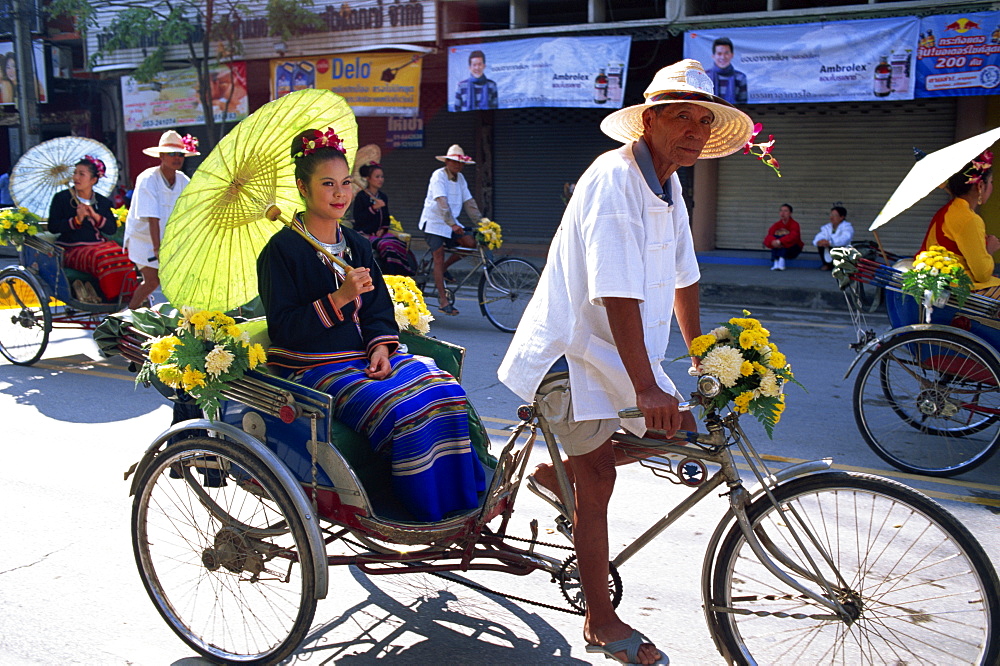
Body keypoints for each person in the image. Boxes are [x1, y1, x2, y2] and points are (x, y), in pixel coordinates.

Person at [498, 58, 753, 665]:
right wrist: (646, 386)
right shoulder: (615, 180)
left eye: (702, 121)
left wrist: (701, 361)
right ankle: (599, 618)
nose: (693, 131)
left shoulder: (669, 185)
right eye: (681, 118)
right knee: (599, 477)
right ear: (651, 120)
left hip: (616, 351)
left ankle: (547, 477)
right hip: (568, 352)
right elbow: (617, 292)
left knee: (684, 431)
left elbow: (684, 281)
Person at [256, 127, 486, 522]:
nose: (340, 193)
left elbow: (378, 307)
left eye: (345, 183)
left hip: (365, 357)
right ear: (302, 187)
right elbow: (285, 328)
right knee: (403, 410)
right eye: (327, 184)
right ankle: (419, 508)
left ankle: (458, 500)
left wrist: (381, 347)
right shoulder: (281, 252)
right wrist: (339, 298)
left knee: (445, 389)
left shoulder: (357, 245)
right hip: (316, 366)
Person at [124, 130, 199, 309]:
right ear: (161, 155)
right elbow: (152, 217)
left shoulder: (183, 180)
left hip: (170, 239)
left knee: (180, 281)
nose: (177, 158)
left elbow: (189, 213)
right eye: (171, 154)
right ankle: (128, 315)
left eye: (180, 154)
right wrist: (158, 249)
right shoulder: (147, 179)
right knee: (152, 281)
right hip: (144, 240)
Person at [47, 156, 135, 304]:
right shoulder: (61, 198)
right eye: (75, 173)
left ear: (93, 180)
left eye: (82, 174)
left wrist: (94, 215)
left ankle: (127, 295)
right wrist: (77, 220)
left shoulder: (102, 201)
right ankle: (111, 297)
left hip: (97, 244)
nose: (76, 177)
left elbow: (111, 229)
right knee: (101, 257)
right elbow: (53, 226)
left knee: (124, 254)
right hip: (71, 248)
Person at [919, 150, 1000, 297]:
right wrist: (990, 250)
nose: (992, 188)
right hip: (955, 288)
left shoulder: (950, 210)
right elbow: (982, 274)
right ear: (980, 186)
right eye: (991, 182)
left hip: (942, 282)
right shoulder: (969, 219)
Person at [417, 144, 483, 316]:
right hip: (435, 223)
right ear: (446, 161)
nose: (457, 165)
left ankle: (443, 269)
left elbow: (469, 203)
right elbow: (442, 202)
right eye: (453, 162)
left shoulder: (460, 179)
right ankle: (443, 300)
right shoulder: (438, 176)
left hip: (452, 222)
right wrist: (452, 223)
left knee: (470, 243)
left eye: (460, 163)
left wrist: (483, 222)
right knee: (438, 255)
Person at [352, 161, 412, 276]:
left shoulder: (382, 197)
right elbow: (359, 218)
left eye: (382, 177)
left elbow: (386, 219)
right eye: (377, 177)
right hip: (365, 234)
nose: (381, 180)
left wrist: (383, 229)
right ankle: (390, 274)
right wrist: (373, 208)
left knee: (399, 243)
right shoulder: (361, 197)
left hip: (380, 234)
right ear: (368, 178)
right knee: (387, 246)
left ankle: (404, 274)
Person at [705, 37, 748, 104]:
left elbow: (743, 106)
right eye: (719, 54)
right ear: (713, 56)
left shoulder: (740, 77)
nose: (723, 57)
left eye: (726, 53)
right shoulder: (704, 76)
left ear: (732, 55)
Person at [763, 203, 803, 271]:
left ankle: (781, 261)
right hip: (779, 247)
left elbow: (793, 237)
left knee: (783, 238)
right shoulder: (776, 225)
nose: (783, 213)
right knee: (775, 238)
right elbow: (769, 236)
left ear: (790, 213)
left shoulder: (795, 224)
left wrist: (779, 241)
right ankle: (776, 262)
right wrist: (773, 242)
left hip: (792, 249)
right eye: (781, 211)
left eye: (785, 211)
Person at [812, 205, 854, 270]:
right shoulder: (827, 227)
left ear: (842, 217)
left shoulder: (847, 227)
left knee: (838, 246)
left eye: (835, 215)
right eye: (831, 215)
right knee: (821, 245)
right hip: (830, 249)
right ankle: (827, 264)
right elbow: (820, 235)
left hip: (843, 250)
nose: (831, 217)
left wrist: (830, 242)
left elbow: (844, 239)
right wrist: (820, 241)